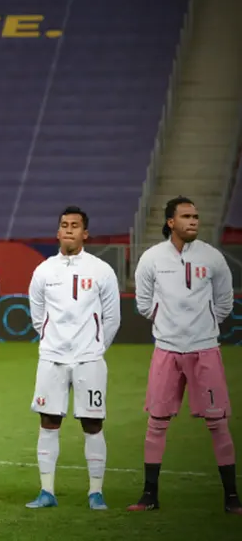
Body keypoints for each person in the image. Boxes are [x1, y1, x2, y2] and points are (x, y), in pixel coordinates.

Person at [129, 196, 240, 514]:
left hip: (205, 349)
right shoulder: (152, 258)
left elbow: (224, 302)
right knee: (157, 422)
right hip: (166, 350)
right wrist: (168, 324)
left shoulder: (212, 257)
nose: (193, 221)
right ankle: (149, 496)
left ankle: (232, 498)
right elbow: (143, 302)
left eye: (195, 216)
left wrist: (202, 327)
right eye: (186, 216)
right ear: (170, 222)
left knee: (217, 423)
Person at [25, 206, 120, 510]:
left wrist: (93, 348)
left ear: (85, 233)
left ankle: (96, 492)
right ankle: (47, 491)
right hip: (52, 358)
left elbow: (112, 318)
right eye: (64, 225)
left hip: (89, 359)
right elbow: (37, 316)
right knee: (48, 421)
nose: (69, 229)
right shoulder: (44, 270)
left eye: (75, 225)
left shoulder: (101, 270)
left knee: (92, 422)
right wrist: (54, 342)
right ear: (58, 232)